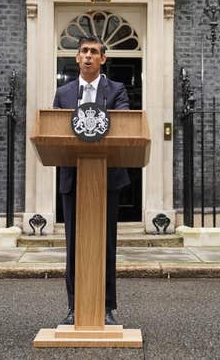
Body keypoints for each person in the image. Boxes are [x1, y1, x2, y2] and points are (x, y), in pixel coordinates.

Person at [53, 35, 130, 326]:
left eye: (94, 52)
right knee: (74, 246)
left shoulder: (117, 90)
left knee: (106, 244)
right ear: (76, 58)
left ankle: (106, 307)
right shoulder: (63, 93)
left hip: (107, 178)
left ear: (103, 59)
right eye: (83, 51)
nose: (88, 56)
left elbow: (122, 125)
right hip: (73, 179)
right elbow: (57, 130)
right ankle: (75, 307)